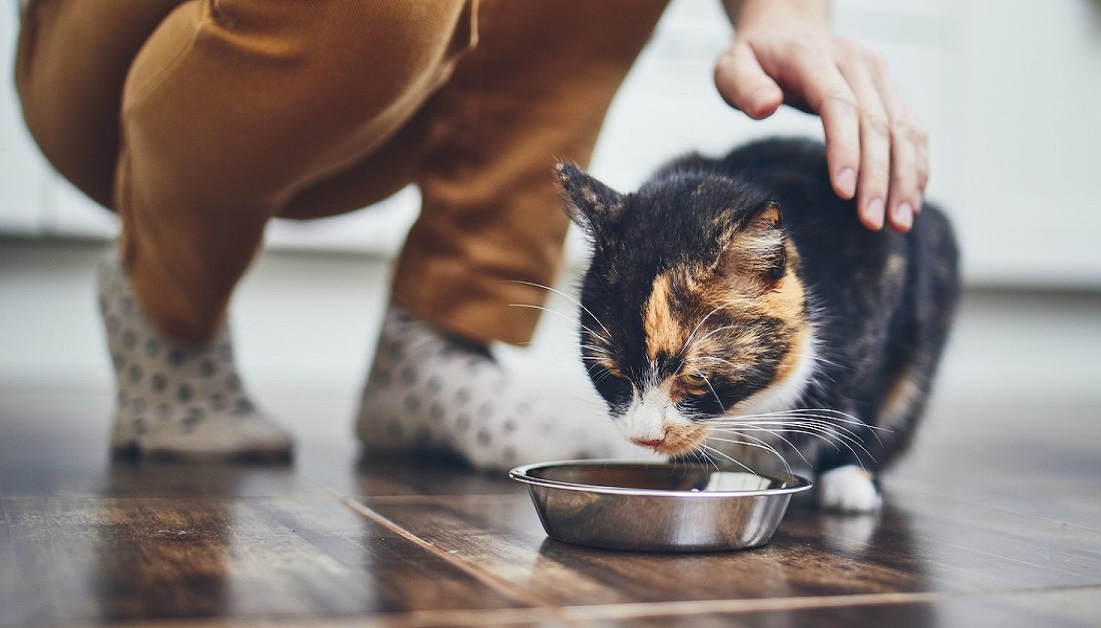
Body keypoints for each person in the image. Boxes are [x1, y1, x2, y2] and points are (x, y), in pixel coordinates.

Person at [15, 0, 929, 467]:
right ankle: (165, 301)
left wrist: (782, 20)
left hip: (399, 90)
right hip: (139, 64)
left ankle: (437, 335)